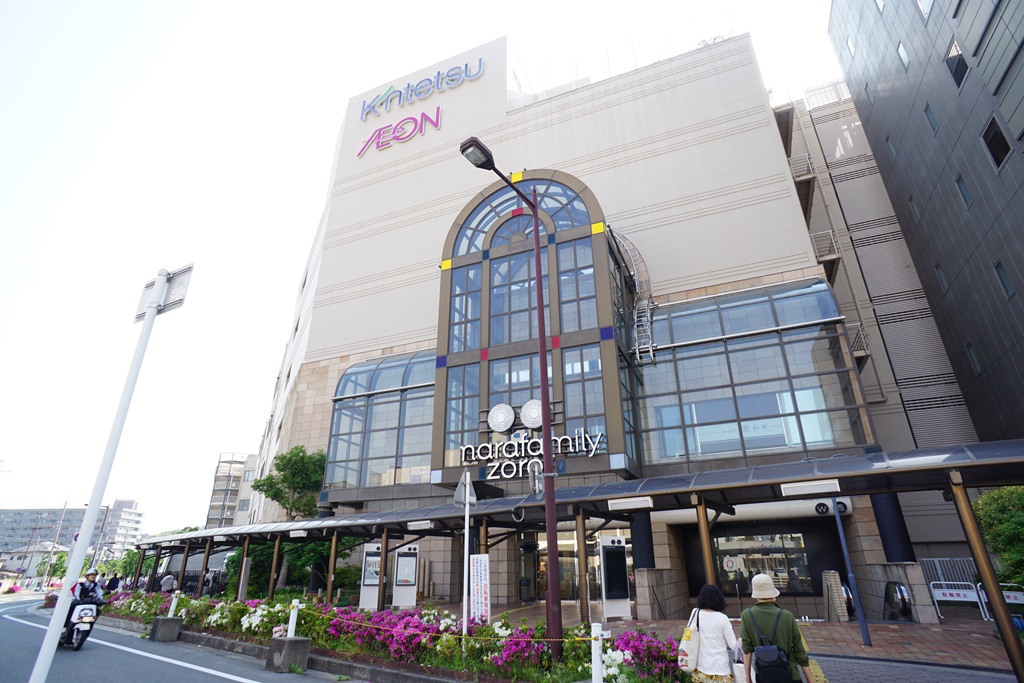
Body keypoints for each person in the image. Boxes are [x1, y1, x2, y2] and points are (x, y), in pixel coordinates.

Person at [741, 574, 814, 682]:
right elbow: (799, 650)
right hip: (790, 674)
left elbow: (747, 650)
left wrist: (748, 679)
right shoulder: (787, 616)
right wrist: (810, 680)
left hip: (763, 676)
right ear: (773, 593)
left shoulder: (747, 615)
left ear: (755, 594)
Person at [686, 584, 739, 683]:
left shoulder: (696, 613)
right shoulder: (723, 618)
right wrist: (741, 641)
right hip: (721, 670)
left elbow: (688, 635)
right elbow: (733, 646)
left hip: (702, 670)